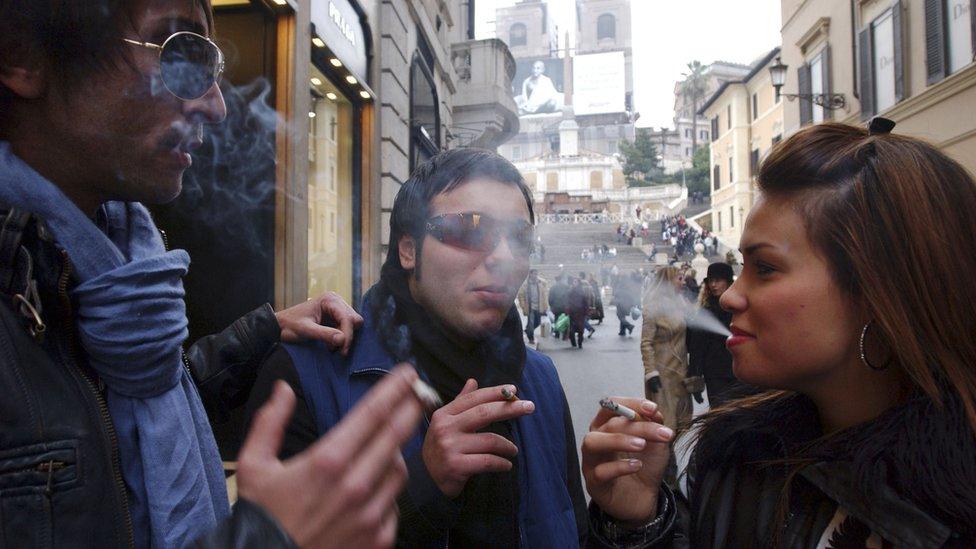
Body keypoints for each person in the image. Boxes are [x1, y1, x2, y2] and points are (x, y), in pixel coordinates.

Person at [0, 2, 426, 547]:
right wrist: (266, 537)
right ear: (22, 54)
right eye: (181, 52)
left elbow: (115, 413)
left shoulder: (111, 262)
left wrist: (265, 330)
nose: (216, 105)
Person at [580, 120, 976, 546]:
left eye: (764, 268)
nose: (730, 297)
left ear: (879, 289)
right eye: (740, 269)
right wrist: (641, 522)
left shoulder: (955, 504)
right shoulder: (736, 457)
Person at [246, 149, 593, 547]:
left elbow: (573, 532)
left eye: (520, 238)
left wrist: (629, 524)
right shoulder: (304, 376)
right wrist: (420, 489)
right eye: (471, 228)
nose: (503, 256)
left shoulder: (540, 378)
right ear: (408, 250)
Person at [639, 267, 692, 436]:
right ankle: (667, 460)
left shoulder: (681, 303)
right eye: (679, 278)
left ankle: (669, 457)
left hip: (680, 371)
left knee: (683, 420)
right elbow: (646, 343)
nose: (683, 282)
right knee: (665, 422)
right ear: (668, 281)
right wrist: (651, 372)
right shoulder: (652, 308)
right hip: (663, 375)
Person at [685, 262, 745, 407]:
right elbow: (696, 348)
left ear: (728, 282)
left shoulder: (740, 306)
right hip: (715, 373)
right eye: (711, 281)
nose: (713, 284)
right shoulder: (704, 311)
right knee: (721, 415)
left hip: (741, 371)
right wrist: (695, 378)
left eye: (718, 280)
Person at [518, 268, 549, 344]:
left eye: (536, 274)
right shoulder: (525, 285)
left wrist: (545, 306)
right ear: (530, 274)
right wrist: (523, 306)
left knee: (537, 322)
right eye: (534, 274)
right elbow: (520, 295)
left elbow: (545, 293)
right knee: (531, 323)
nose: (536, 276)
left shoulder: (540, 284)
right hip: (530, 307)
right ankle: (531, 338)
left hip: (539, 307)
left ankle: (528, 330)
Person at [549, 273, 570, 339]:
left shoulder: (552, 288)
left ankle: (557, 334)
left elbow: (550, 298)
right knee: (565, 319)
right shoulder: (566, 286)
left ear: (556, 280)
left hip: (556, 307)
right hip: (565, 306)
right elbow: (569, 296)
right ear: (561, 279)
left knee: (556, 319)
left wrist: (551, 305)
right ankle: (565, 334)